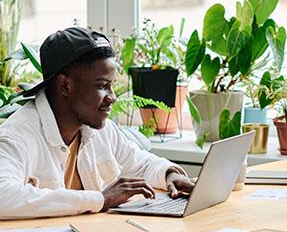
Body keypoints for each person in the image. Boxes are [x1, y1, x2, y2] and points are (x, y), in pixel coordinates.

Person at [0, 27, 194, 219]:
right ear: (65, 85)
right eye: (102, 86)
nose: (113, 97)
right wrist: (99, 199)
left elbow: (139, 163)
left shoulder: (100, 129)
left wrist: (170, 175)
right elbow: (3, 196)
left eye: (112, 85)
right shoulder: (15, 138)